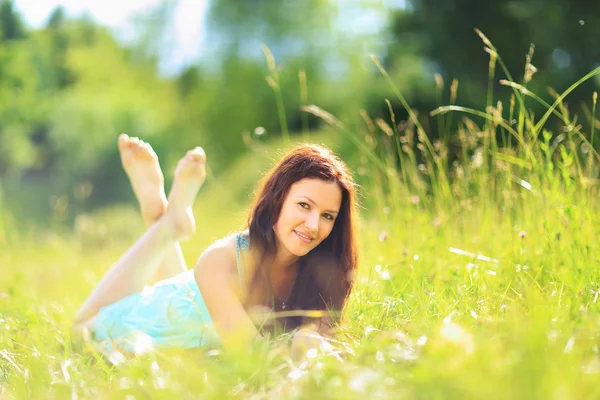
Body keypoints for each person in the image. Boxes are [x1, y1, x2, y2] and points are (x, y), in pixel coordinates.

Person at [73, 134, 359, 359]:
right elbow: (255, 359)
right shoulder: (220, 260)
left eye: (327, 216)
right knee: (80, 329)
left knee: (194, 311)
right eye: (303, 205)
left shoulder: (322, 272)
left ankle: (163, 219)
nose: (313, 224)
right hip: (153, 322)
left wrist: (312, 346)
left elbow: (325, 346)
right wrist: (301, 350)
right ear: (278, 200)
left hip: (194, 314)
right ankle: (166, 225)